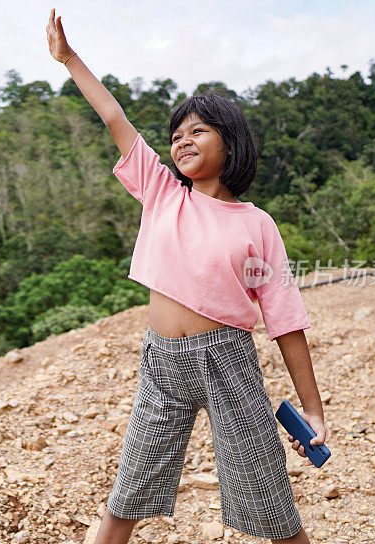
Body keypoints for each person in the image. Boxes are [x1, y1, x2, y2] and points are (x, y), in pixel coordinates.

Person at [45, 9, 328, 544]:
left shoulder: (256, 225)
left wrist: (312, 408)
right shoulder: (160, 193)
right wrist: (69, 59)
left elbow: (285, 319)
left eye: (199, 130)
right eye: (176, 135)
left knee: (266, 493)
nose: (182, 141)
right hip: (162, 360)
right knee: (129, 491)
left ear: (231, 143)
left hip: (229, 359)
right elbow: (113, 117)